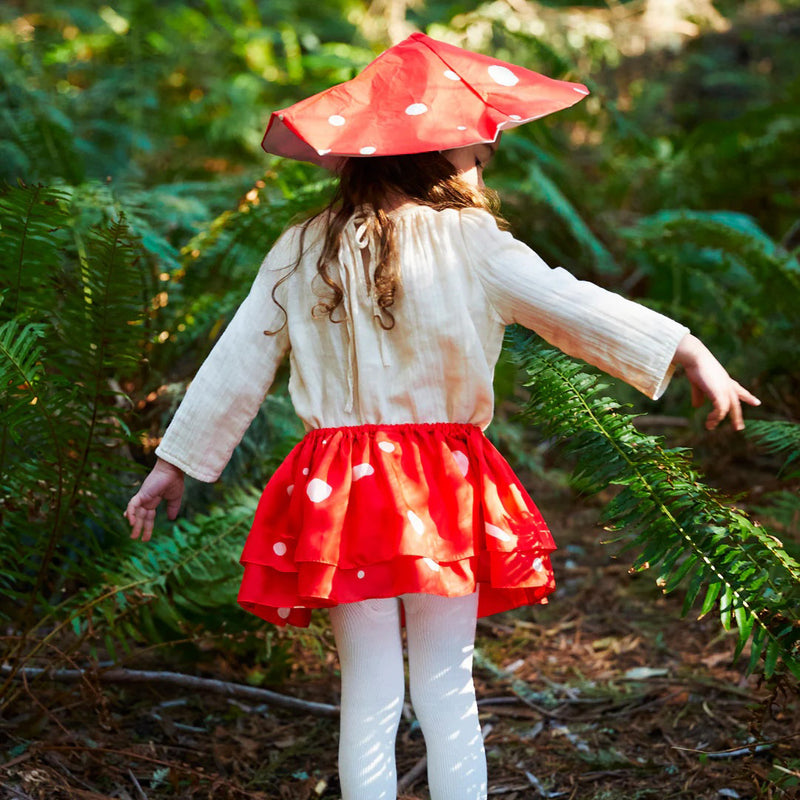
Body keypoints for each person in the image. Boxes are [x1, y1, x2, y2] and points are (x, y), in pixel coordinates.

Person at [125, 33, 760, 800]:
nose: (481, 160)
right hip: (443, 489)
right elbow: (573, 305)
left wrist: (176, 463)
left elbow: (238, 361)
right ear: (433, 155)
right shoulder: (475, 243)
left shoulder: (301, 247)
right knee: (445, 683)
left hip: (341, 493)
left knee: (368, 692)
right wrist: (687, 348)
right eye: (473, 147)